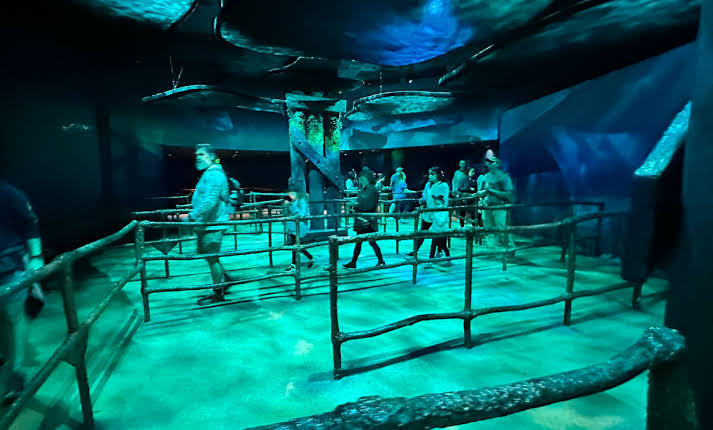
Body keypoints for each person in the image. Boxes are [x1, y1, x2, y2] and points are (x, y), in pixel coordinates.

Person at [1, 180, 45, 405]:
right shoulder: (11, 193)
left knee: (15, 319)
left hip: (10, 266)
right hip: (10, 263)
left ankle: (15, 375)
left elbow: (30, 224)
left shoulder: (10, 193)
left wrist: (36, 258)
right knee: (10, 321)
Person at [186, 144, 232, 304]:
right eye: (196, 154)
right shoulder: (211, 173)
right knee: (210, 257)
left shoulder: (213, 175)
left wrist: (192, 217)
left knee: (212, 259)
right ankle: (225, 279)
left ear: (211, 157)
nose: (197, 157)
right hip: (208, 223)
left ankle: (218, 292)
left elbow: (210, 201)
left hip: (212, 224)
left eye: (202, 154)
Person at [342, 170, 386, 269]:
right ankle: (354, 262)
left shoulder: (372, 190)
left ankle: (380, 261)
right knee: (360, 241)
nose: (361, 179)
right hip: (362, 219)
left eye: (363, 177)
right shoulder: (364, 189)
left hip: (368, 220)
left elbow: (369, 205)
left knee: (371, 241)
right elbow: (362, 201)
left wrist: (356, 205)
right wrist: (356, 204)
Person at [406, 167, 450, 257]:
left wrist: (439, 210)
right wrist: (421, 202)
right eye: (429, 174)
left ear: (438, 175)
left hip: (438, 214)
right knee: (422, 232)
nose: (430, 176)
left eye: (432, 174)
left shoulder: (443, 185)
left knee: (438, 235)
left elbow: (444, 200)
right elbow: (424, 196)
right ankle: (415, 251)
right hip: (427, 212)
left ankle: (437, 253)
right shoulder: (428, 185)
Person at [477, 154, 515, 248]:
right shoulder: (486, 176)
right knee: (488, 230)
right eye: (488, 162)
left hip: (499, 207)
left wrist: (491, 190)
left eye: (492, 162)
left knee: (501, 230)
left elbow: (508, 194)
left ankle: (509, 249)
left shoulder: (504, 177)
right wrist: (480, 194)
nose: (489, 163)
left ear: (498, 164)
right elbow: (485, 191)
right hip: (487, 207)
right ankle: (491, 250)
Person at [282, 180, 314, 271]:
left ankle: (294, 264)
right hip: (293, 227)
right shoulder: (293, 201)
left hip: (300, 226)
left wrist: (291, 206)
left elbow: (302, 214)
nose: (290, 196)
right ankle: (310, 258)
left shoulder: (301, 201)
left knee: (295, 245)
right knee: (296, 245)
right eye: (289, 194)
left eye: (292, 194)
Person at [428, 196, 451, 266]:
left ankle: (448, 258)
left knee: (443, 246)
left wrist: (434, 214)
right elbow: (430, 218)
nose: (436, 206)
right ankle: (431, 259)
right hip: (435, 231)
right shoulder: (436, 211)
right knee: (433, 246)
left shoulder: (444, 212)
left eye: (438, 204)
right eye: (435, 204)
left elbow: (440, 222)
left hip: (442, 232)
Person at [452, 160, 470, 227]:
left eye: (463, 163)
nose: (462, 164)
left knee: (462, 210)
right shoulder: (456, 172)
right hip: (455, 194)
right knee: (454, 208)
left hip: (462, 195)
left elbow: (467, 185)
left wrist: (461, 191)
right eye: (461, 163)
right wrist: (454, 191)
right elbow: (453, 182)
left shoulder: (466, 174)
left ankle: (462, 225)